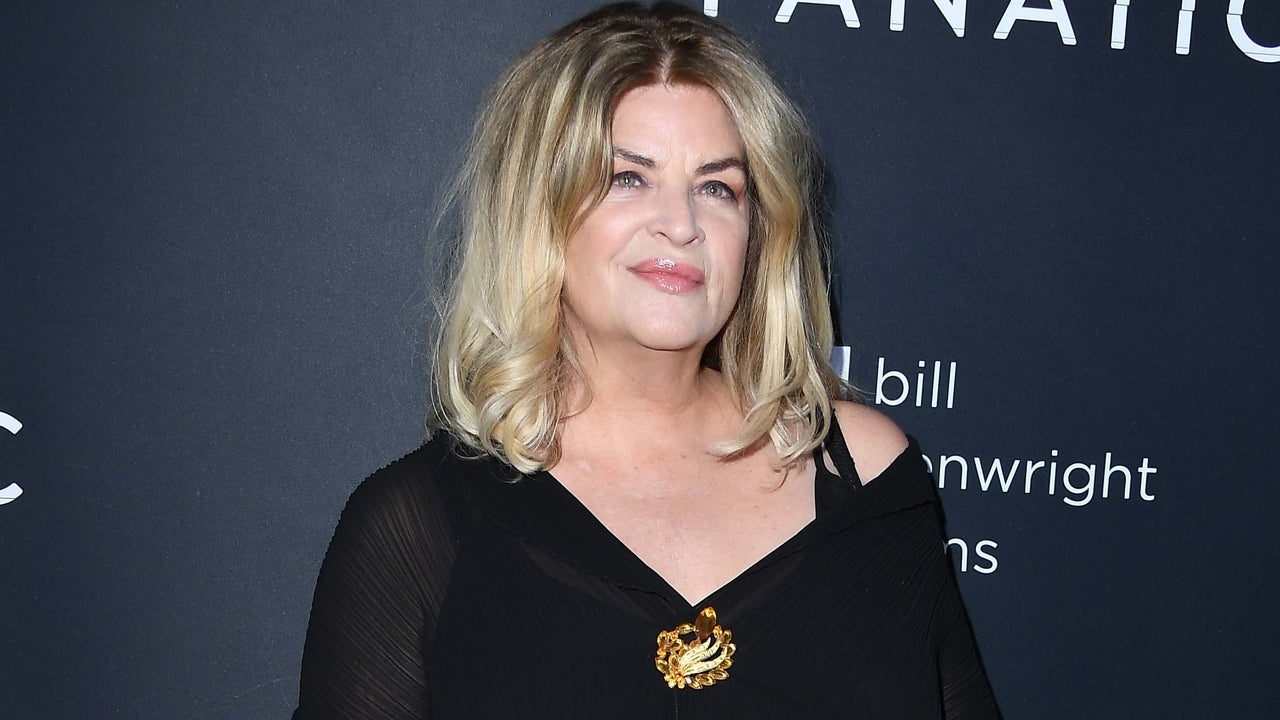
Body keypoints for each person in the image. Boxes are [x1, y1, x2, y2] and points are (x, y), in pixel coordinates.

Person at [293, 3, 1000, 717]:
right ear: (536, 209)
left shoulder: (863, 474)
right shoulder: (416, 529)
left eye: (717, 188)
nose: (682, 224)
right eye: (628, 177)